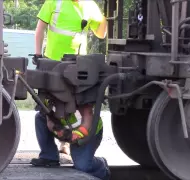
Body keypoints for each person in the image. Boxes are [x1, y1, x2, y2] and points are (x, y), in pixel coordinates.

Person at [30, 0, 110, 180]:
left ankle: (102, 168)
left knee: (83, 166)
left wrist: (76, 135)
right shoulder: (54, 2)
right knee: (42, 115)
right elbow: (40, 29)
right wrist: (37, 55)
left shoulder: (90, 6)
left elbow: (101, 33)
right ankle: (49, 157)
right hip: (53, 62)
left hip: (78, 66)